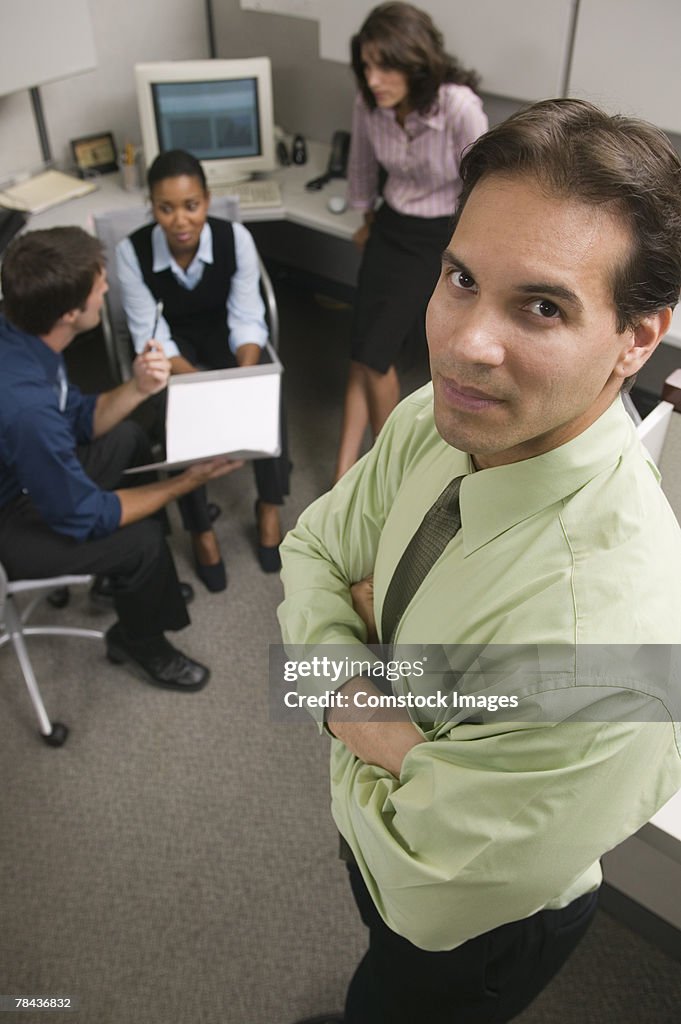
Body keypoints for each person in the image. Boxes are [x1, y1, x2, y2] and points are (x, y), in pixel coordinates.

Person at [278, 98, 681, 1024]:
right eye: (460, 277)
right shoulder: (434, 417)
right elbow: (308, 550)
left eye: (540, 306)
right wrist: (398, 734)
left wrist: (333, 683)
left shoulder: (612, 651)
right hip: (398, 852)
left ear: (636, 338)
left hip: (482, 931)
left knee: (399, 992)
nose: (464, 346)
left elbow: (422, 884)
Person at [0, 227, 241, 692]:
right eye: (98, 287)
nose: (106, 289)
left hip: (29, 470)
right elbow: (83, 514)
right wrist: (185, 482)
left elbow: (78, 420)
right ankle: (139, 640)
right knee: (141, 541)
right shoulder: (26, 407)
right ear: (70, 313)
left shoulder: (24, 335)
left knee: (129, 437)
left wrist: (138, 388)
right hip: (11, 517)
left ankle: (133, 585)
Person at [116, 149, 290, 592]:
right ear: (152, 206)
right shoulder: (130, 252)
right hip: (172, 339)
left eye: (190, 205)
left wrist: (242, 380)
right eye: (165, 207)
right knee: (180, 408)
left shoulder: (236, 239)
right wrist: (202, 387)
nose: (179, 220)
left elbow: (248, 317)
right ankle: (201, 528)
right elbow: (149, 334)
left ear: (207, 201)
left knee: (266, 384)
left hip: (224, 329)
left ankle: (269, 504)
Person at [333, 2, 488, 481]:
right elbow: (361, 165)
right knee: (363, 350)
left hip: (440, 236)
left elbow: (485, 183)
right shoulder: (369, 104)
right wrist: (365, 217)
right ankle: (343, 473)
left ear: (414, 62)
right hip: (391, 225)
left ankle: (384, 473)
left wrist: (475, 256)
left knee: (375, 357)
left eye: (385, 65)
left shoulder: (458, 107)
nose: (373, 78)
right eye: (366, 66)